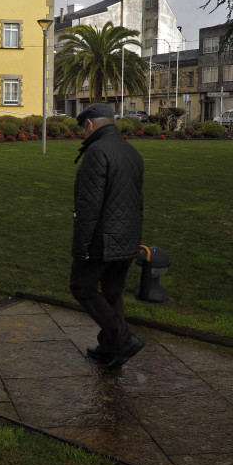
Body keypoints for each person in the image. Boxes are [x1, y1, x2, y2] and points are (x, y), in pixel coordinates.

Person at [70, 103, 145, 369]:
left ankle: (123, 339)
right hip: (127, 234)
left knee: (82, 286)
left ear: (90, 124)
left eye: (83, 128)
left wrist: (82, 246)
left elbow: (89, 206)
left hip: (103, 236)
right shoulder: (130, 151)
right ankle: (110, 347)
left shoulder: (96, 151)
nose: (82, 133)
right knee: (112, 292)